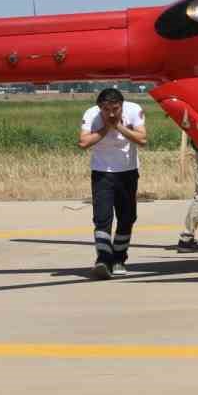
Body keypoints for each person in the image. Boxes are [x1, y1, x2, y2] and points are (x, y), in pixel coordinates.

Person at [77, 88, 147, 280]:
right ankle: (103, 259)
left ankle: (119, 259)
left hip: (127, 172)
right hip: (102, 173)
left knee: (127, 218)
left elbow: (142, 139)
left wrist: (119, 127)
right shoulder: (91, 114)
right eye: (106, 110)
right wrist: (106, 127)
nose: (111, 114)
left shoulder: (134, 110)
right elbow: (83, 142)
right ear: (100, 108)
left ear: (121, 105)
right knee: (102, 218)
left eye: (115, 109)